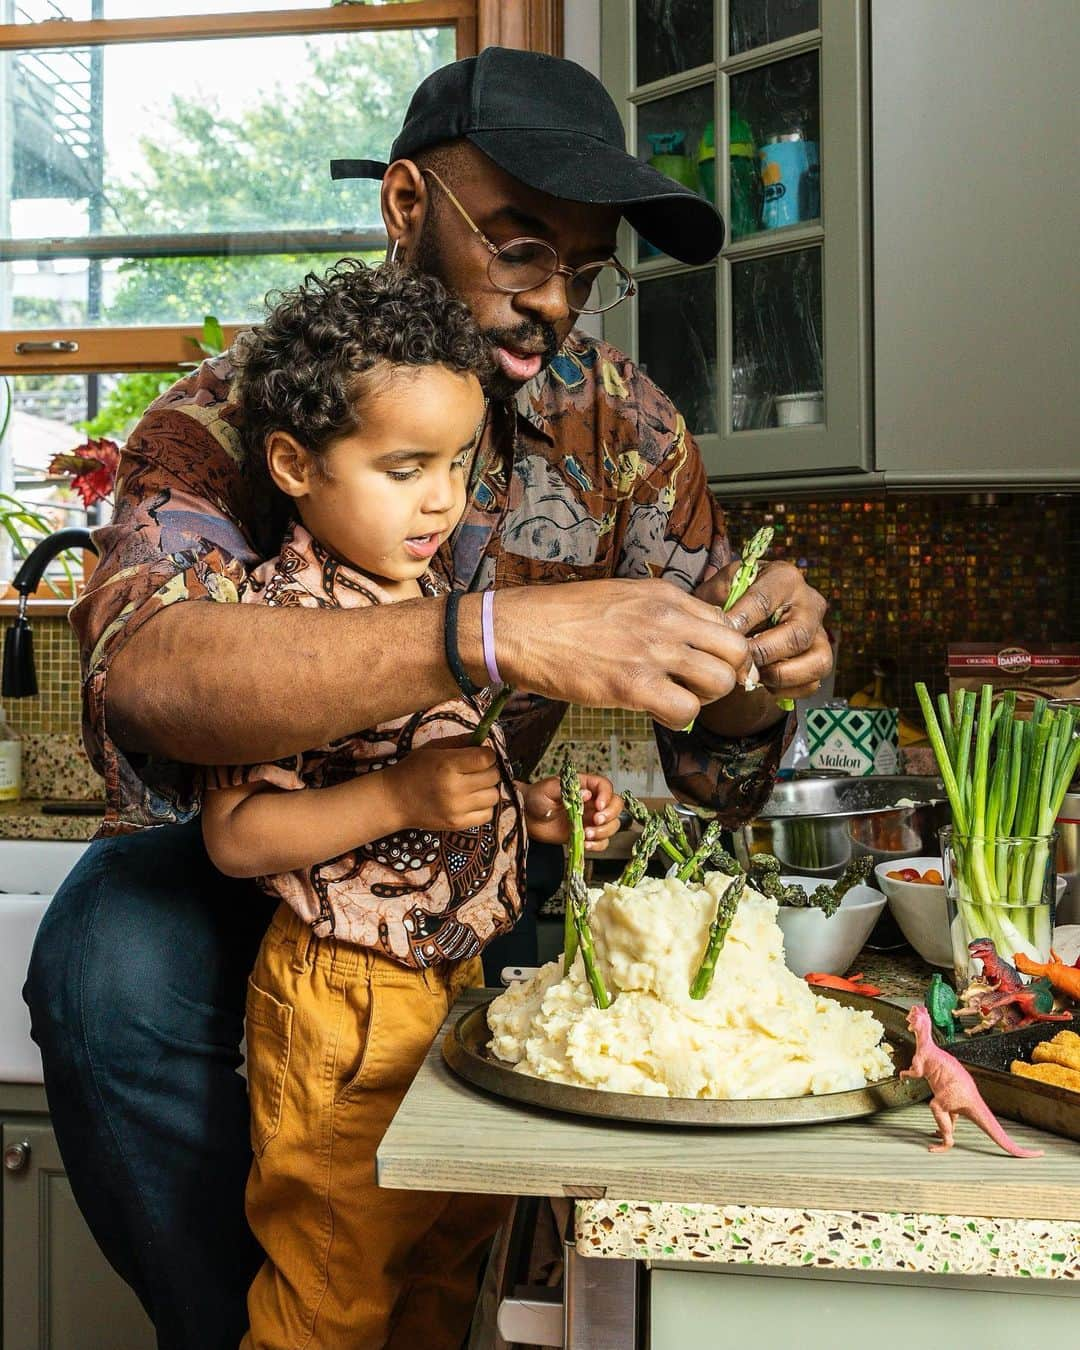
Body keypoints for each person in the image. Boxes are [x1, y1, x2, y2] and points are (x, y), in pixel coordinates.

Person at [24, 46, 831, 1350]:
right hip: (261, 887)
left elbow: (724, 767)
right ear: (407, 206)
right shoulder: (245, 414)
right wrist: (492, 631)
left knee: (467, 1195)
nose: (552, 303)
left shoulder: (624, 432)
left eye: (583, 265)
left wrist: (761, 671)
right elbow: (144, 674)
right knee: (110, 949)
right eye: (517, 249)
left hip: (481, 885)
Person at [199, 259, 621, 1347]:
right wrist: (400, 794)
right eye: (402, 468)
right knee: (330, 1295)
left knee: (445, 1275)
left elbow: (442, 770)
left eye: (458, 462)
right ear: (294, 464)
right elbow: (240, 837)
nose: (442, 497)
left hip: (455, 983)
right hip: (343, 1001)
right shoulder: (282, 624)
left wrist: (529, 808)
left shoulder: (427, 591)